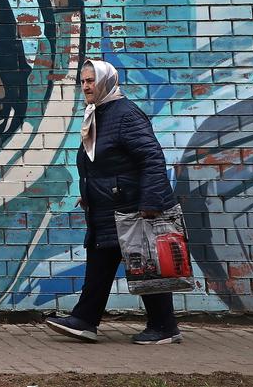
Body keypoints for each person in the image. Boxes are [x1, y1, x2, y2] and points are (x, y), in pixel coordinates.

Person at [45, 58, 182, 345]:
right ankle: (84, 320)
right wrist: (90, 192)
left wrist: (151, 201)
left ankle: (164, 326)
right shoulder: (99, 113)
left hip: (133, 206)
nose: (85, 86)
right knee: (101, 262)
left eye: (91, 80)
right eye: (83, 81)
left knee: (145, 264)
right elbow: (102, 162)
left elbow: (151, 157)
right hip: (109, 206)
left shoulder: (124, 114)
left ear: (107, 81)